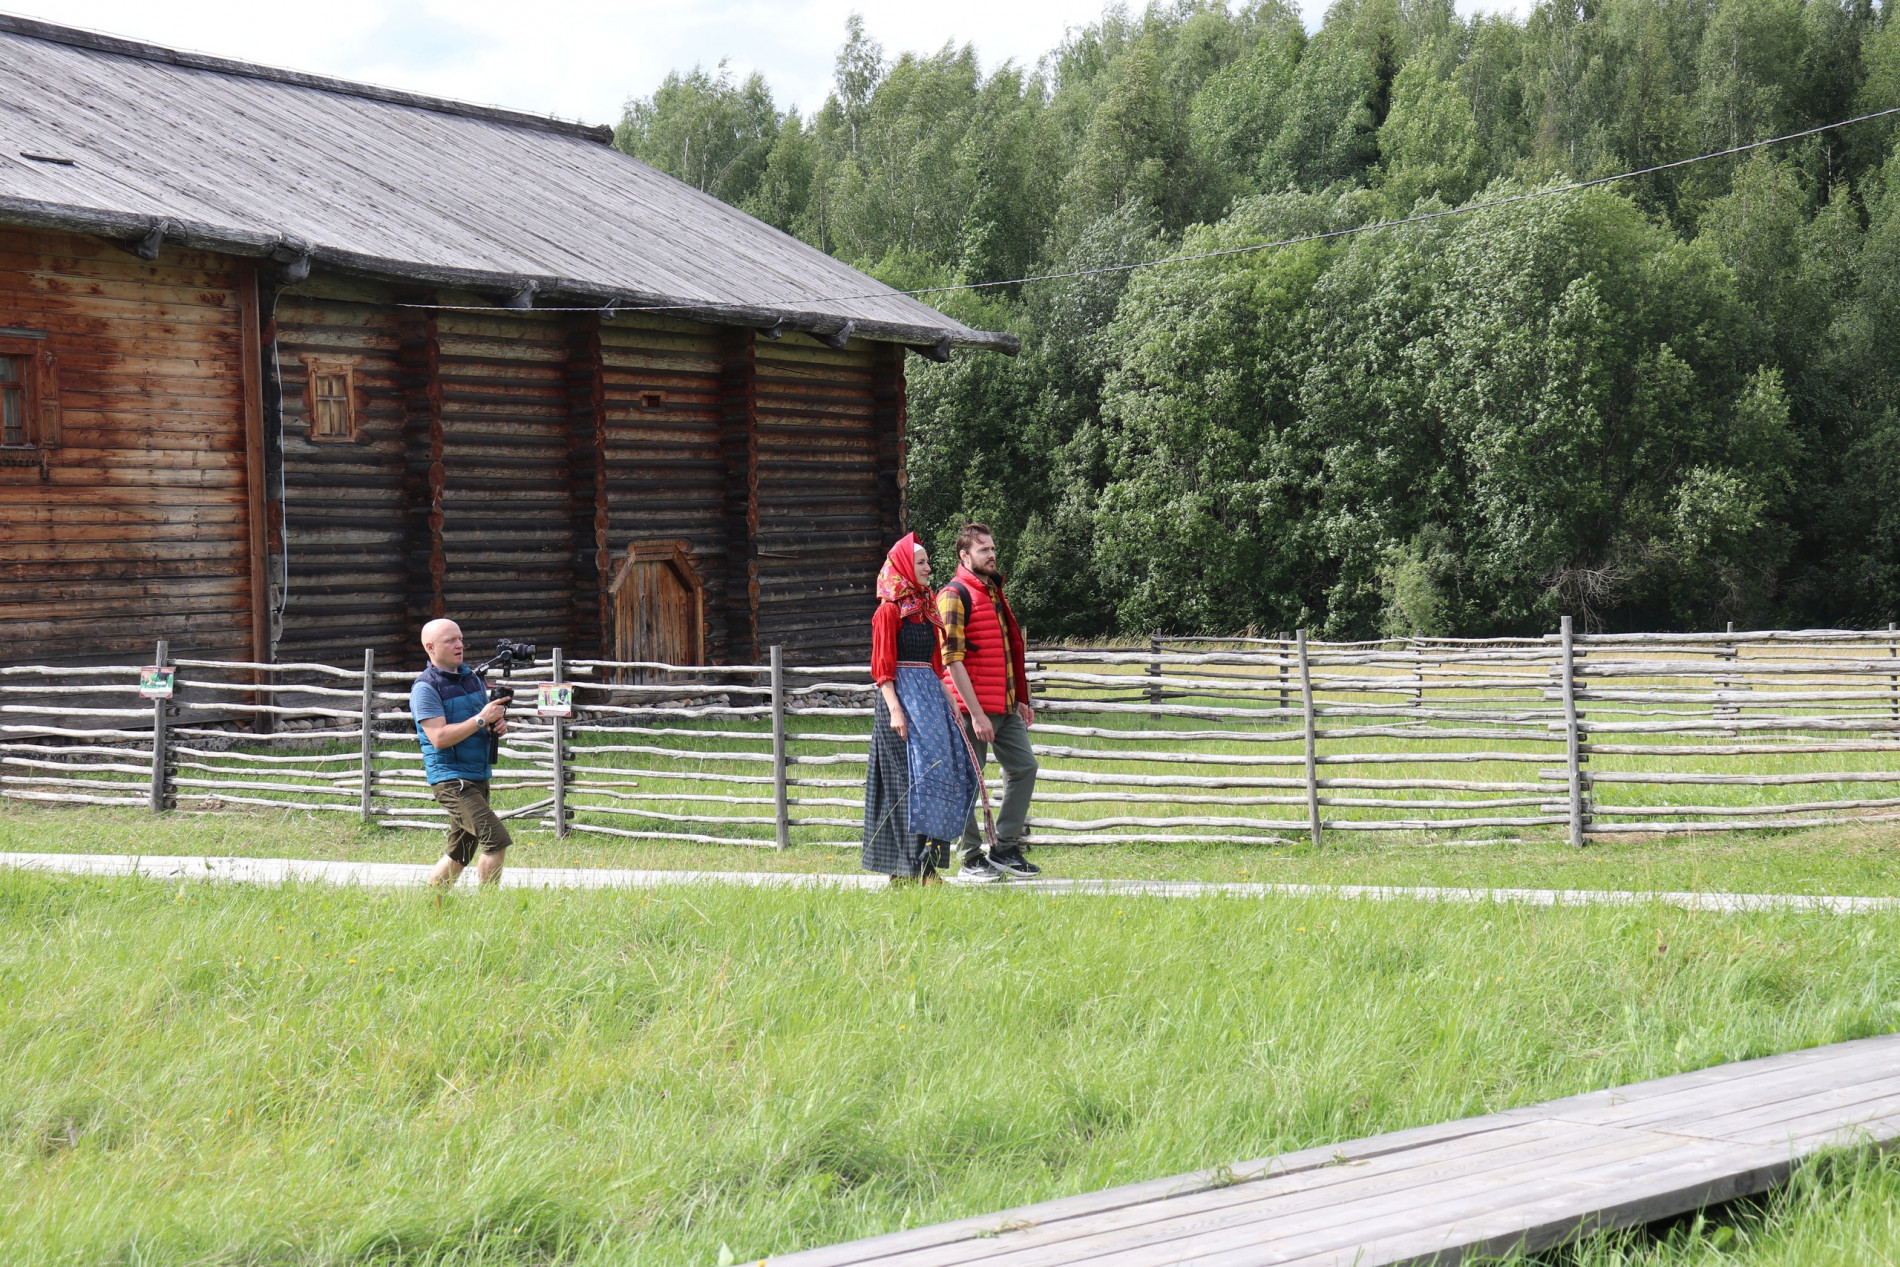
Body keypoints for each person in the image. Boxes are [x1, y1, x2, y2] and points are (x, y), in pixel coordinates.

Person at [863, 534, 978, 885]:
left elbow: (934, 666)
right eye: (922, 562)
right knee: (905, 786)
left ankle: (924, 868)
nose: (929, 567)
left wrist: (951, 704)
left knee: (933, 780)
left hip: (928, 703)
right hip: (900, 705)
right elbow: (882, 669)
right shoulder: (888, 610)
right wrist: (896, 710)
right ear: (903, 567)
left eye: (928, 562)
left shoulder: (925, 608)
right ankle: (908, 871)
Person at [938, 524, 1041, 882]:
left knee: (1025, 767)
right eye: (983, 550)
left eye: (993, 548)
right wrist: (977, 713)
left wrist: (1021, 700)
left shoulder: (994, 592)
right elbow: (952, 659)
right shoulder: (954, 594)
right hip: (971, 711)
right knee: (969, 782)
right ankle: (969, 857)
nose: (992, 554)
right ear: (964, 556)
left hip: (1005, 707)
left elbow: (1008, 651)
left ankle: (1005, 849)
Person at [411, 618, 513, 886]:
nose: (459, 645)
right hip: (452, 779)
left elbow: (476, 723)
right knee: (496, 840)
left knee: (460, 853)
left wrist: (495, 725)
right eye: (450, 641)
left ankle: (430, 904)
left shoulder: (471, 679)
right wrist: (482, 718)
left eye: (460, 639)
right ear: (431, 647)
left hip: (477, 774)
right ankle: (488, 907)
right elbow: (439, 738)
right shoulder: (425, 688)